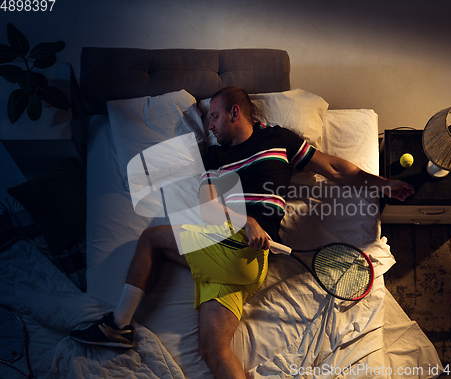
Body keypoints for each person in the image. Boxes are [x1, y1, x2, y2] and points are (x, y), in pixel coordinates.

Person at [70, 87, 414, 378]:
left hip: (241, 254)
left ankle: (117, 325)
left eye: (214, 116)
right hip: (236, 259)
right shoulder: (213, 157)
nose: (210, 125)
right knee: (213, 353)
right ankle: (118, 326)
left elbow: (336, 168)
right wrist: (244, 221)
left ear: (235, 112)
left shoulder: (278, 139)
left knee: (150, 239)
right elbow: (207, 204)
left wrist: (382, 184)